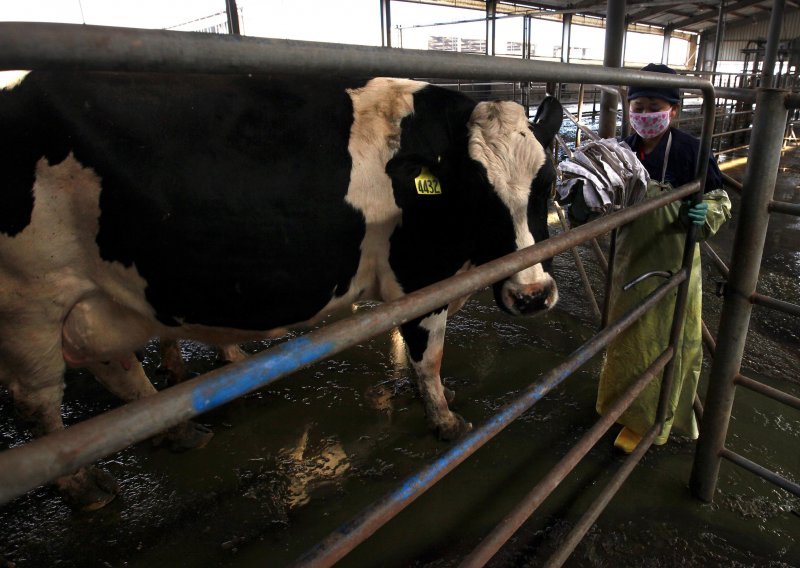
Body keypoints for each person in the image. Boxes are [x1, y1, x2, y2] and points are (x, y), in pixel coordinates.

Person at [596, 63, 732, 453]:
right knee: (626, 338)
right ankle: (619, 407)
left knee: (667, 340)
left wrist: (708, 210)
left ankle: (651, 422)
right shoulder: (621, 150)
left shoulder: (691, 150)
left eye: (652, 106)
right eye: (636, 106)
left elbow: (718, 197)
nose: (643, 115)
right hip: (629, 258)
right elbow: (602, 197)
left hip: (673, 262)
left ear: (673, 110)